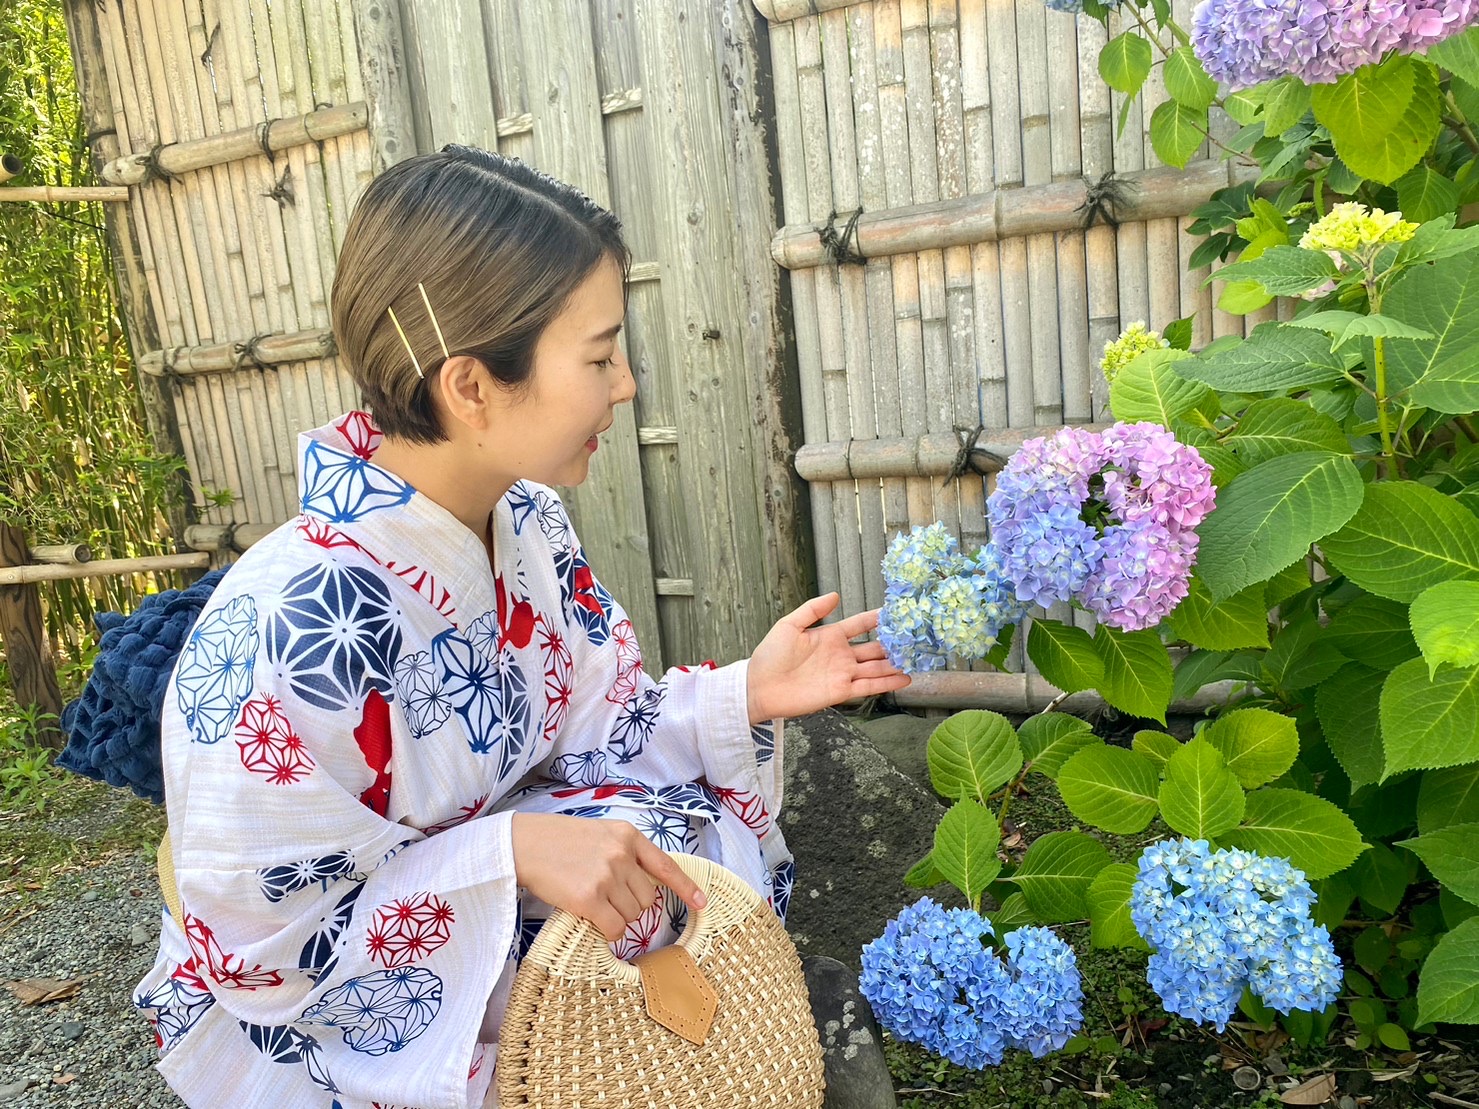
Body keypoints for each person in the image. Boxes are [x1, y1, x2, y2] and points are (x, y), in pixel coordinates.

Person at [132, 144, 910, 1108]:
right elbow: (260, 938)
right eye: (598, 355)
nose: (625, 385)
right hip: (331, 997)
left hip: (468, 899)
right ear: (470, 387)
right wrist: (503, 854)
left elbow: (598, 724)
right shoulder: (289, 618)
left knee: (680, 838)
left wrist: (748, 690)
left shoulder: (524, 519)